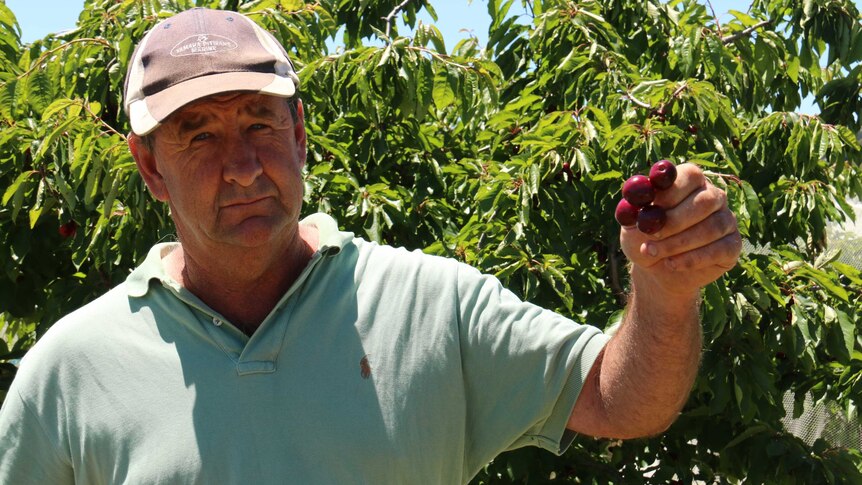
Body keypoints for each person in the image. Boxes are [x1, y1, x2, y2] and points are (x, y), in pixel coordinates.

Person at [0, 7, 742, 484]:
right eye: (200, 137)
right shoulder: (68, 374)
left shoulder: (432, 306)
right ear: (149, 166)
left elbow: (622, 399)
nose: (243, 166)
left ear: (299, 135)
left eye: (260, 124)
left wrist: (666, 294)